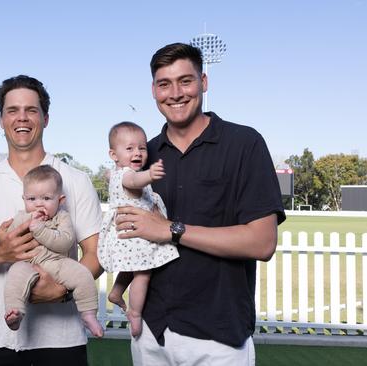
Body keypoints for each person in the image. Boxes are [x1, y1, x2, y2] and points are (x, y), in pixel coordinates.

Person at [117, 43, 286, 365]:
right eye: (164, 84)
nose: (175, 93)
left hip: (218, 336)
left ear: (203, 82)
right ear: (154, 90)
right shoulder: (143, 154)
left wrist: (171, 230)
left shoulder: (244, 143)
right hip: (152, 331)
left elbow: (262, 243)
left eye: (186, 81)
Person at [0, 75, 103, 365]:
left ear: (45, 118)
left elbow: (95, 254)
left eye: (31, 110)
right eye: (12, 110)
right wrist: (0, 253)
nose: (22, 118)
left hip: (63, 341)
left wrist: (59, 291)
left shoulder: (76, 180)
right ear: (1, 119)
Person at [97, 121, 178, 338]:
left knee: (133, 265)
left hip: (132, 232)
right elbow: (134, 180)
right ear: (114, 154)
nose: (138, 153)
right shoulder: (126, 174)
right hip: (134, 231)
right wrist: (149, 175)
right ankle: (135, 312)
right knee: (143, 273)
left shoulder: (116, 172)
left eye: (142, 148)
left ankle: (116, 292)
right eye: (130, 148)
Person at [3, 164, 103, 337]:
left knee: (82, 274)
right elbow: (9, 240)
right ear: (24, 199)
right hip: (28, 264)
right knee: (15, 275)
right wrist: (26, 223)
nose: (38, 204)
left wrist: (40, 229)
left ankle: (88, 314)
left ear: (60, 200)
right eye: (31, 199)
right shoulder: (22, 217)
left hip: (57, 263)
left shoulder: (62, 217)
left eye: (47, 198)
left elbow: (65, 242)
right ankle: (14, 313)